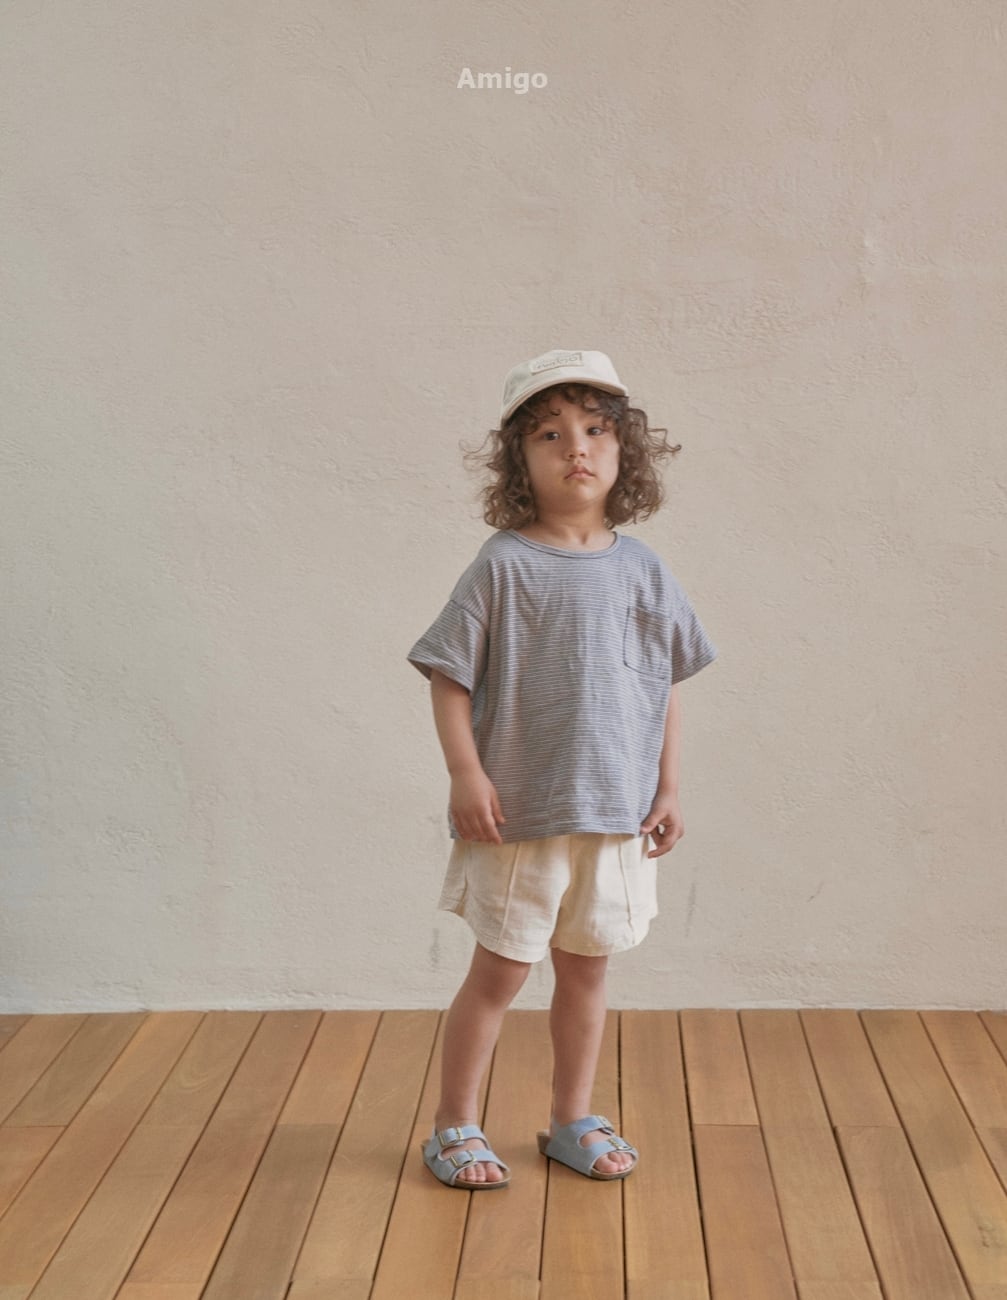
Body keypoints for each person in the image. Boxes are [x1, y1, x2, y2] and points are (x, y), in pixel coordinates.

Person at [407, 348, 717, 1189]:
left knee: (587, 970)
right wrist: (465, 775)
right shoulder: (503, 564)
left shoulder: (642, 569)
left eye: (594, 430)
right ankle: (453, 1124)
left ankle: (570, 1119)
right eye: (549, 434)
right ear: (520, 461)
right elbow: (447, 676)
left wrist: (668, 787)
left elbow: (663, 685)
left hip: (615, 815)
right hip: (522, 816)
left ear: (624, 453)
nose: (575, 446)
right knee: (500, 972)